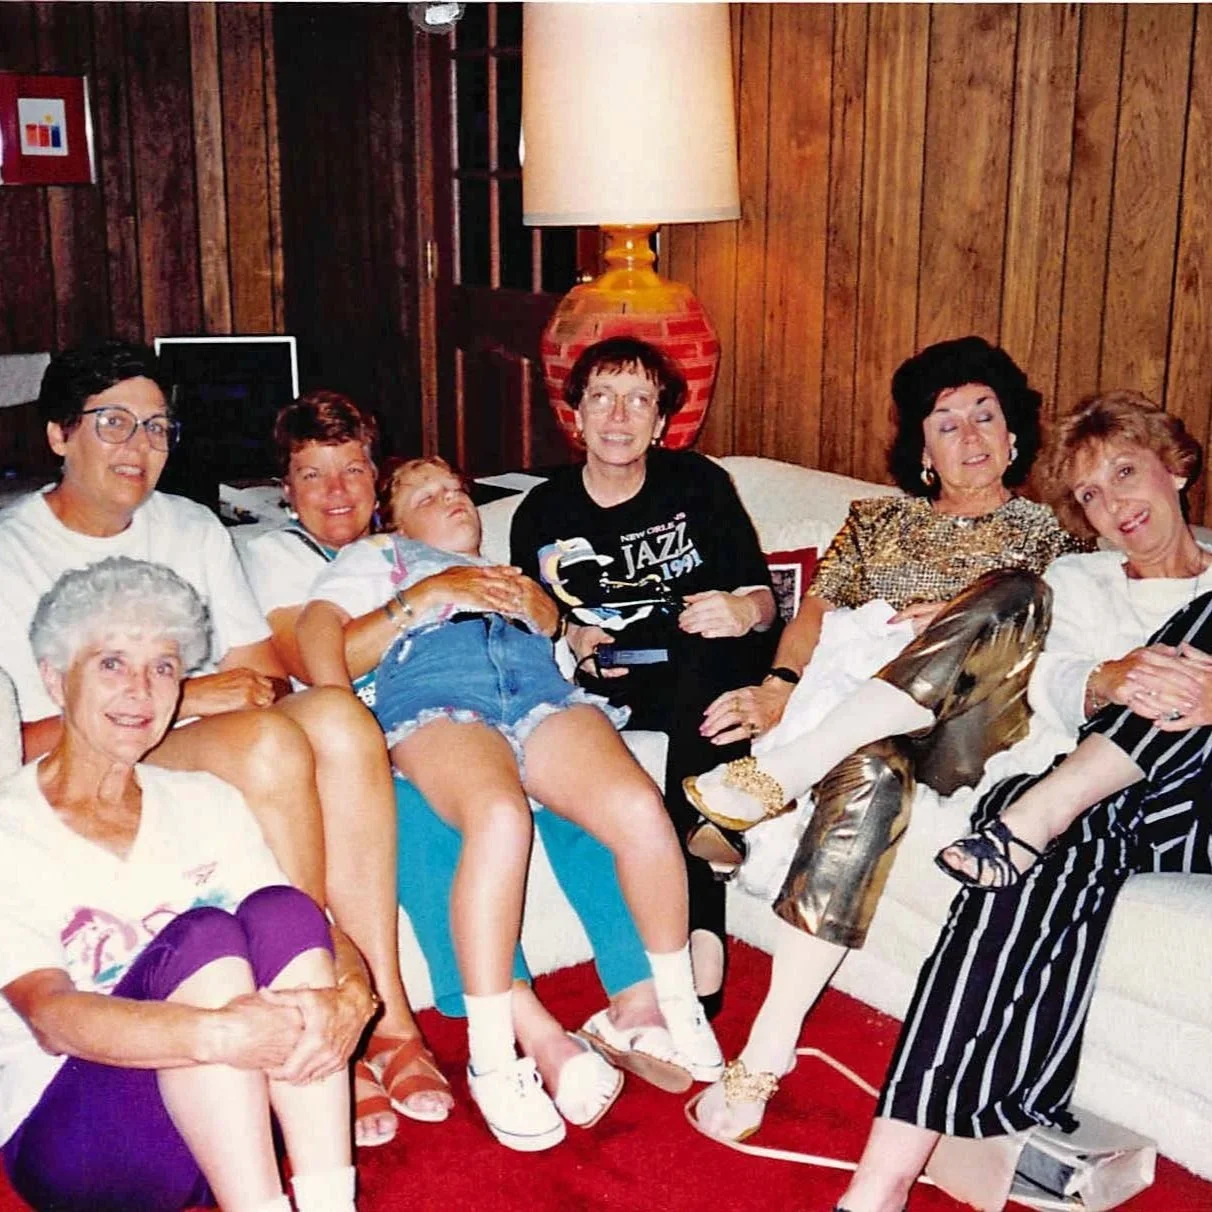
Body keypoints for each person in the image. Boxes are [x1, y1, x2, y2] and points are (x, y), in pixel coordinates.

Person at [241, 392, 701, 1138]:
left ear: (374, 481)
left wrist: (545, 625)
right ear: (285, 489)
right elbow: (313, 660)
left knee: (582, 803)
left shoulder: (442, 554)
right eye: (312, 474)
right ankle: (535, 1036)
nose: (336, 491)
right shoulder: (284, 556)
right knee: (438, 826)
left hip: (495, 707)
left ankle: (636, 997)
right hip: (369, 732)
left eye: (352, 470)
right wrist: (425, 600)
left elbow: (541, 641)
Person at [0, 341, 412, 1149]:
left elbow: (263, 679)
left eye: (157, 426)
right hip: (76, 758)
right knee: (265, 746)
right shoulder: (11, 554)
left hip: (184, 746)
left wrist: (198, 702)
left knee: (334, 715)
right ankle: (308, 997)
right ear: (58, 434)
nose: (139, 445)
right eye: (113, 422)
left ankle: (388, 1017)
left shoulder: (190, 527)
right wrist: (186, 696)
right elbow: (9, 743)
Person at [687, 335, 1083, 1142]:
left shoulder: (1051, 535)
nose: (971, 436)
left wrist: (952, 619)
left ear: (1014, 435)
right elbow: (814, 616)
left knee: (1011, 593)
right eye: (947, 423)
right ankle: (765, 1050)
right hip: (872, 727)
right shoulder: (876, 523)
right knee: (869, 772)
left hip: (975, 731)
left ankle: (785, 773)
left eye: (986, 416)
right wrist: (777, 689)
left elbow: (1064, 642)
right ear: (924, 452)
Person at [835, 390, 1212, 1212]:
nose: (1115, 506)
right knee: (1029, 863)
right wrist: (1111, 677)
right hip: (1109, 810)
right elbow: (1052, 683)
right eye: (1090, 495)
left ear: (1176, 469)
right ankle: (882, 1180)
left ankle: (1038, 816)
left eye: (1126, 473)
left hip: (1197, 811)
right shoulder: (1077, 579)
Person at [0, 557, 358, 1212]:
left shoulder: (205, 800)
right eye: (112, 663)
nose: (141, 691)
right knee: (204, 935)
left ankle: (331, 1200)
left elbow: (310, 932)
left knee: (282, 908)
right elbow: (49, 1017)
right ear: (54, 678)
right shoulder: (9, 829)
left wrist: (353, 999)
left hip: (234, 1118)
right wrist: (218, 1036)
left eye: (163, 667)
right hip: (81, 1137)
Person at [509, 336, 780, 1016]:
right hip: (620, 678)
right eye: (602, 397)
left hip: (712, 665)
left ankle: (702, 925)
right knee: (679, 683)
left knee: (704, 651)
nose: (619, 416)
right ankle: (717, 836)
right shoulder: (540, 512)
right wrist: (572, 634)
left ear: (660, 422)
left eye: (639, 401)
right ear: (577, 415)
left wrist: (741, 609)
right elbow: (533, 618)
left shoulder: (697, 483)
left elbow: (764, 599)